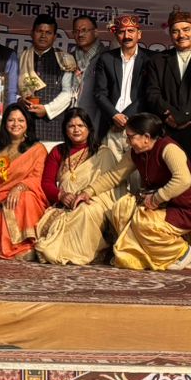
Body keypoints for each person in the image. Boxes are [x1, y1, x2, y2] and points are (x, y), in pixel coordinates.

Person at [143, 10, 191, 255]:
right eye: (175, 31)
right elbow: (152, 93)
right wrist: (170, 115)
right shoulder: (159, 60)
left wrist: (184, 116)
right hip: (170, 134)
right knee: (172, 186)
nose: (181, 35)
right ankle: (176, 245)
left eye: (186, 30)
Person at [111, 112, 191, 271]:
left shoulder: (169, 149)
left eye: (130, 137)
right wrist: (88, 192)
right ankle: (147, 257)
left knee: (143, 223)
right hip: (162, 207)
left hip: (185, 209)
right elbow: (113, 176)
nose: (127, 141)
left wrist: (156, 198)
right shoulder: (136, 153)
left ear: (146, 137)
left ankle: (182, 253)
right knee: (122, 209)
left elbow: (183, 180)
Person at [34, 108, 133, 266]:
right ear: (65, 129)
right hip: (65, 205)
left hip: (94, 203)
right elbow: (46, 183)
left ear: (89, 128)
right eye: (71, 126)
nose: (76, 130)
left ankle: (80, 253)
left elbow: (111, 187)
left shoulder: (103, 153)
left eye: (81, 125)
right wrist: (61, 196)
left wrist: (88, 198)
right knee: (51, 240)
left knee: (86, 210)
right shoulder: (58, 151)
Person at [0, 102, 49, 259]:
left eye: (21, 120)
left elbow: (37, 177)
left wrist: (19, 188)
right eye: (11, 120)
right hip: (0, 200)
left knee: (25, 198)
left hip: (28, 197)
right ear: (5, 123)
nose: (16, 124)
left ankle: (28, 244)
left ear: (27, 123)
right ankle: (15, 248)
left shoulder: (37, 149)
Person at [17, 14, 77, 143]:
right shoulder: (20, 58)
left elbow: (68, 92)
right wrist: (19, 100)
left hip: (54, 128)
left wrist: (47, 109)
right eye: (39, 31)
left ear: (54, 37)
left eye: (48, 33)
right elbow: (11, 89)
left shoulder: (65, 60)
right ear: (32, 33)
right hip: (24, 125)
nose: (43, 36)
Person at [88, 14, 148, 137]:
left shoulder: (150, 59)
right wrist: (114, 115)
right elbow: (99, 93)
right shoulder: (106, 58)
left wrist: (126, 117)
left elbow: (148, 93)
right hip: (111, 123)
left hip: (139, 124)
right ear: (116, 35)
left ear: (139, 34)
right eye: (121, 32)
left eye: (131, 31)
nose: (126, 36)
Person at [70, 15, 108, 126]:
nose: (80, 34)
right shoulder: (69, 58)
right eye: (76, 31)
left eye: (84, 30)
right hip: (71, 120)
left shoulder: (107, 57)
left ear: (95, 32)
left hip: (97, 120)